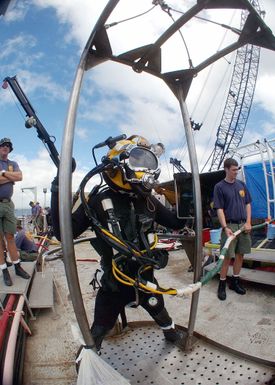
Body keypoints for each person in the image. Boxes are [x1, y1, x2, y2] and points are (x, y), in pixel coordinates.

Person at [51, 135, 186, 352]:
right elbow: (63, 233)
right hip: (114, 284)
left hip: (146, 280)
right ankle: (88, 358)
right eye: (138, 160)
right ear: (118, 165)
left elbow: (175, 222)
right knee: (99, 328)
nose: (145, 168)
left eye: (147, 161)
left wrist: (189, 197)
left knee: (159, 310)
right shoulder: (98, 201)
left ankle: (170, 331)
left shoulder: (147, 200)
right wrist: (58, 184)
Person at [213, 158, 252, 301]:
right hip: (230, 226)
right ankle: (222, 284)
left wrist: (248, 222)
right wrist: (225, 227)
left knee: (240, 254)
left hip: (243, 225)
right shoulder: (219, 187)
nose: (236, 172)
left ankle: (235, 282)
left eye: (237, 169)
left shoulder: (241, 185)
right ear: (226, 169)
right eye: (234, 170)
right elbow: (219, 209)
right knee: (227, 257)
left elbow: (248, 204)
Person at [0, 137, 30, 286]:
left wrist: (4, 174)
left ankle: (17, 266)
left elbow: (20, 177)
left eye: (8, 146)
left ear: (10, 149)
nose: (5, 147)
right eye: (3, 145)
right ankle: (4, 270)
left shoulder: (13, 164)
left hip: (8, 204)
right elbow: (15, 178)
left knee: (10, 237)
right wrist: (11, 178)